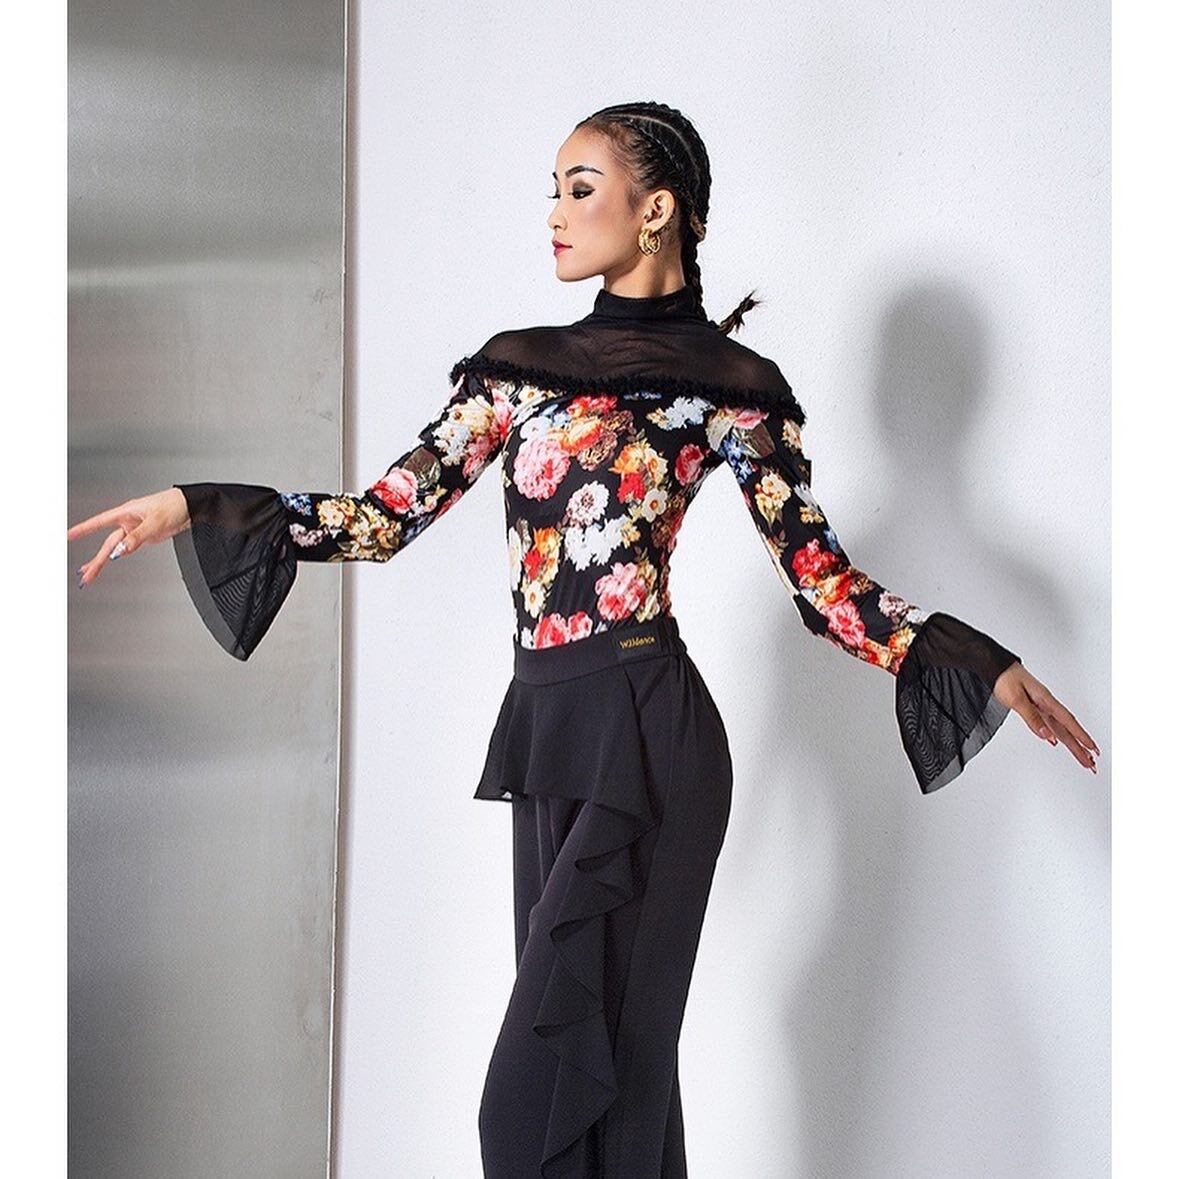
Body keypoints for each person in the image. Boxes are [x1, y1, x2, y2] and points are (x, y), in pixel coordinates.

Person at [67, 101, 1099, 1178]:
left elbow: (820, 583)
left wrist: (975, 660)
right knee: (602, 1090)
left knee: (554, 1097)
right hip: (550, 734)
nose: (554, 214)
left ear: (655, 211)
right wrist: (195, 505)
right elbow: (382, 519)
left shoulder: (730, 388)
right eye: (552, 192)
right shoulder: (518, 369)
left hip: (648, 736)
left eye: (579, 188)